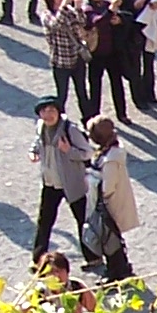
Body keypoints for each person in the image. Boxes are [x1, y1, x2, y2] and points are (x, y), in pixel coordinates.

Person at [28, 98, 94, 264]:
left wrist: (68, 150)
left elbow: (87, 153)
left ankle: (93, 257)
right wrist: (33, 151)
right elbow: (37, 142)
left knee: (83, 221)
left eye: (52, 110)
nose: (48, 115)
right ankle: (38, 259)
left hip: (72, 183)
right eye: (44, 111)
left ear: (58, 112)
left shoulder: (70, 130)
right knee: (44, 221)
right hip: (50, 183)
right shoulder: (41, 127)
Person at [83, 115, 137, 281]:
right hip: (106, 204)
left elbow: (108, 187)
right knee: (111, 239)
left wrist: (92, 179)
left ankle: (118, 271)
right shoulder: (109, 152)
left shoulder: (111, 159)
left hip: (109, 205)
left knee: (110, 240)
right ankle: (120, 268)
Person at [79, 0, 127, 121]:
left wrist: (119, 20)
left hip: (112, 52)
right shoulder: (87, 9)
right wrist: (111, 11)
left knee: (117, 84)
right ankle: (95, 116)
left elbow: (122, 17)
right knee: (95, 86)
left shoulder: (106, 5)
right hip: (96, 54)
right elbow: (97, 22)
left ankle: (122, 113)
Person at [42, 0, 92, 117]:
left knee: (82, 92)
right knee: (62, 96)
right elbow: (56, 24)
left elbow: (81, 23)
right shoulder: (47, 15)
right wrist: (64, 5)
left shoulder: (68, 11)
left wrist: (78, 8)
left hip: (76, 58)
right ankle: (60, 122)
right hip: (61, 62)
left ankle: (87, 120)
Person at [117, 0, 157, 112]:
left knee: (149, 64)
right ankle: (139, 99)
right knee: (135, 67)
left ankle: (150, 94)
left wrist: (155, 5)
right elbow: (122, 13)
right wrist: (133, 6)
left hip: (149, 30)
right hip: (132, 33)